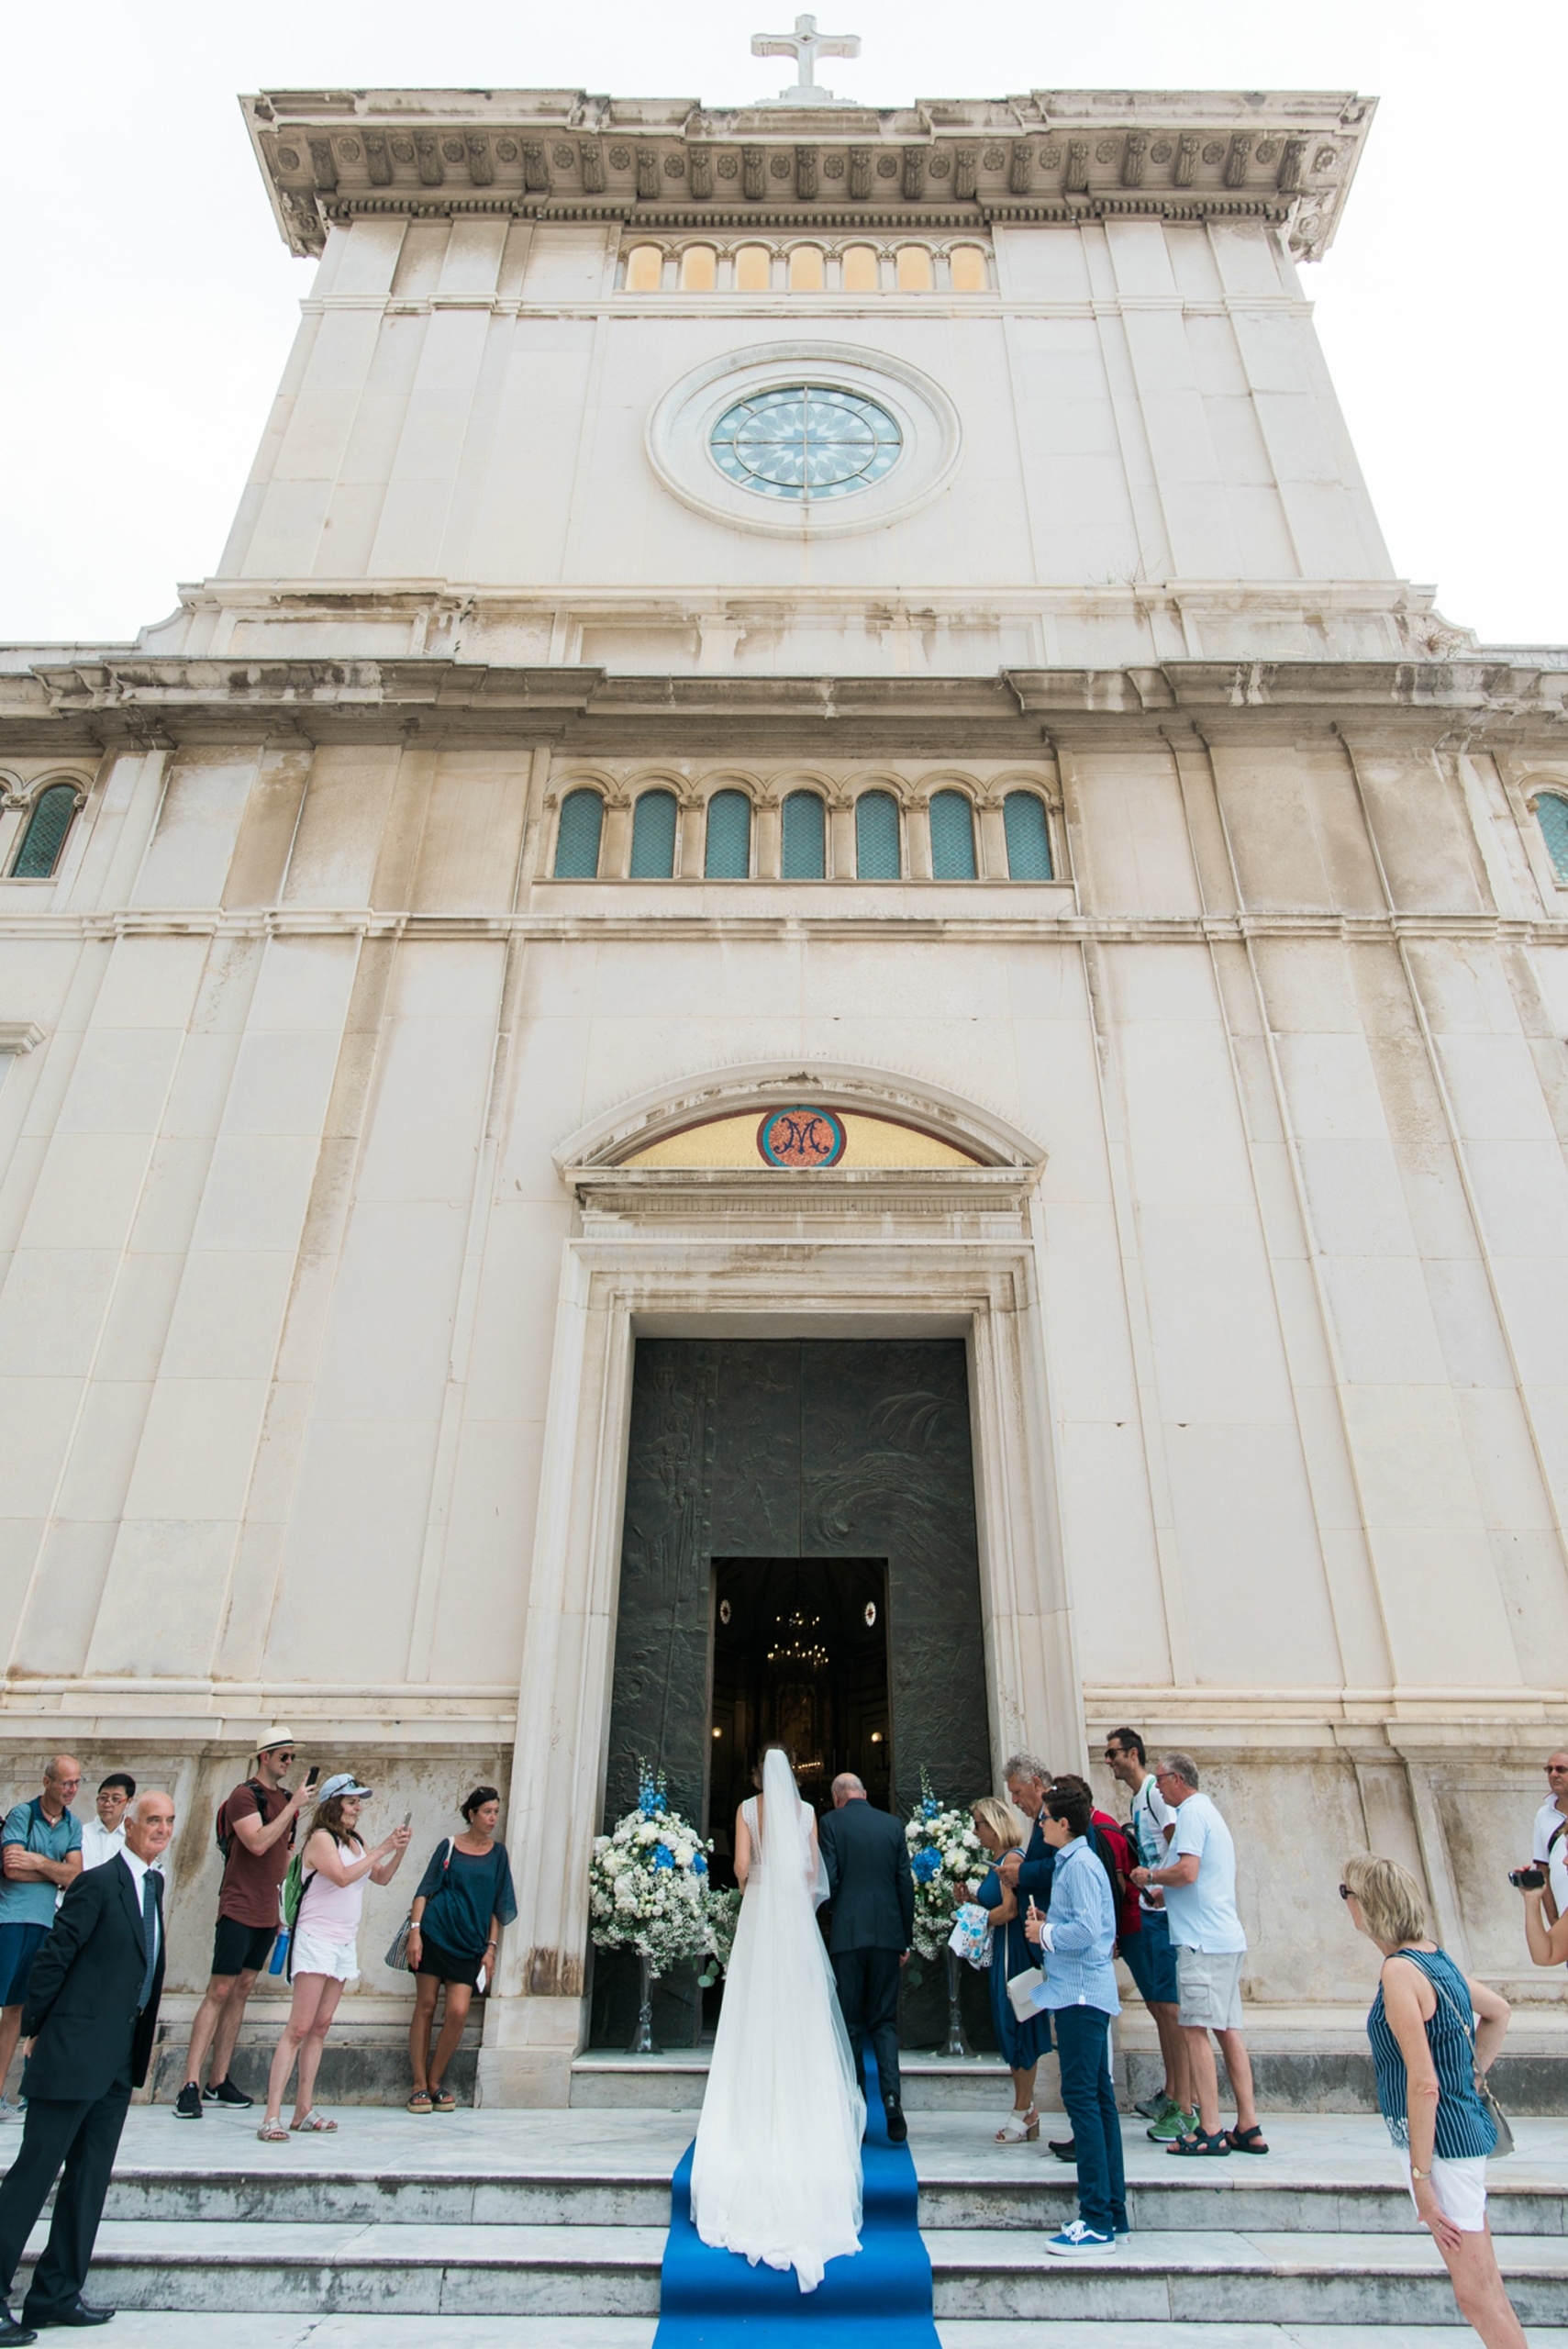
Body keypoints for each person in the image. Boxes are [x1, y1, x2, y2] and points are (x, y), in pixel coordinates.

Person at [0, 1788, 174, 2341]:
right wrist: (37, 2032)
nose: (162, 1830)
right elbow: (52, 1960)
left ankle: (56, 2293)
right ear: (127, 1823)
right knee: (32, 2176)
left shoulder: (154, 1885)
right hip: (71, 2054)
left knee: (90, 2180)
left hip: (118, 2064)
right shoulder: (96, 1884)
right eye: (152, 1820)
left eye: (169, 1822)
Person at [689, 1746, 863, 2293]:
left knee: (752, 2010)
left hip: (763, 1912)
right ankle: (805, 2109)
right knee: (805, 2013)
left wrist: (757, 1895)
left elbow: (741, 1868)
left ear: (757, 1776)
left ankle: (752, 2110)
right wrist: (792, 1899)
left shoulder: (746, 1810)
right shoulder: (809, 1814)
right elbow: (814, 1873)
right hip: (794, 1918)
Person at [1342, 1853, 1526, 2349]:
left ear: (1369, 1904)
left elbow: (1423, 2082)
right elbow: (1499, 2012)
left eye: (1346, 1894)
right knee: (1486, 2289)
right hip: (1458, 2137)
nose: (1346, 1905)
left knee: (1477, 2295)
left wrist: (1421, 2182)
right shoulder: (1432, 1956)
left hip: (1443, 2148)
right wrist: (1466, 2081)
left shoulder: (1399, 1973)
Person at [256, 1774, 410, 2141]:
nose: (358, 1808)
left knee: (321, 2027)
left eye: (359, 1802)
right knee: (298, 2027)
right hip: (315, 1939)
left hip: (343, 1942)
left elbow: (382, 1877)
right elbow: (341, 1877)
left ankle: (304, 2110)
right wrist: (382, 1847)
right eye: (352, 1801)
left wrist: (398, 1848)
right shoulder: (321, 1840)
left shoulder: (355, 1841)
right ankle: (271, 2115)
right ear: (334, 1803)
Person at [1129, 1752, 1265, 2157]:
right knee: (1228, 2030)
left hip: (1200, 1941)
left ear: (1176, 1779)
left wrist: (1150, 1875)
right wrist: (1160, 1890)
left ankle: (1209, 2127)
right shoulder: (1209, 1811)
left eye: (1160, 1779)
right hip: (1224, 1937)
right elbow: (1194, 1877)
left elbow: (1187, 1871)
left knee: (1194, 2029)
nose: (1156, 1786)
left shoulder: (1188, 1813)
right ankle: (1248, 2123)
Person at [175, 1728, 314, 2120]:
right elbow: (256, 1842)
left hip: (268, 1910)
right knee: (219, 1989)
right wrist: (292, 1808)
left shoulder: (288, 1801)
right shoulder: (244, 1795)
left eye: (291, 1757)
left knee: (244, 1988)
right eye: (283, 1756)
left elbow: (284, 1853)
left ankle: (218, 2080)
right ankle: (189, 2083)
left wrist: (290, 1905)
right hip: (238, 1905)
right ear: (265, 1757)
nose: (289, 1764)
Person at [1022, 1778, 1127, 2255]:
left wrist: (1045, 1933)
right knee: (1099, 2101)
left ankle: (1096, 2218)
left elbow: (1086, 1930)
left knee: (1082, 2099)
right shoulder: (1074, 1862)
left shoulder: (1080, 1865)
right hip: (1083, 1991)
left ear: (1063, 1824)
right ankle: (1112, 2209)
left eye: (1043, 1818)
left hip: (1081, 1994)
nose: (1038, 1824)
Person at [1104, 1727, 1194, 2140]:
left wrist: (1157, 1882)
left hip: (1161, 1910)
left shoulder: (1157, 1793)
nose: (1110, 1761)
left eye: (1114, 1754)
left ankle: (1183, 2102)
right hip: (1152, 1907)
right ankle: (1172, 2091)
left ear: (1133, 1753)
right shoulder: (1140, 1798)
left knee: (1170, 2008)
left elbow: (1178, 1843)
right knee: (1159, 2006)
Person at [406, 1785, 517, 2113]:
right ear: (472, 1814)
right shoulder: (450, 1845)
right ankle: (418, 2085)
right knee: (425, 2006)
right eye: (487, 1812)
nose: (493, 1818)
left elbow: (499, 1906)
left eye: (496, 1811)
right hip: (435, 1935)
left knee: (457, 2011)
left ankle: (436, 2080)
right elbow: (424, 1891)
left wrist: (491, 1949)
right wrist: (415, 1934)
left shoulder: (498, 1854)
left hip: (471, 1943)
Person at [818, 1769, 917, 2143]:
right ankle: (891, 2099)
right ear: (861, 1792)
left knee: (851, 2024)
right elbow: (903, 1885)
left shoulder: (831, 1823)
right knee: (884, 2022)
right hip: (888, 1936)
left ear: (838, 1797)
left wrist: (829, 1918)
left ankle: (856, 2107)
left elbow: (831, 1878)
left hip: (848, 1935)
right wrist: (903, 1938)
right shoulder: (892, 1825)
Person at [0, 1761, 83, 2122]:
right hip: (8, 1921)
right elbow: (11, 1869)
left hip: (42, 1925)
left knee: (16, 2012)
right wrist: (54, 1871)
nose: (70, 1790)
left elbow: (77, 1877)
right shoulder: (22, 1814)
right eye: (65, 1782)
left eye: (76, 1783)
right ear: (47, 1782)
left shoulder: (73, 1824)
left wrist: (36, 1860)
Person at [968, 1795, 1050, 2142]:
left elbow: (1009, 1909)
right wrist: (970, 1901)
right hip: (1000, 1948)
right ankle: (1023, 2106)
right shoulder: (996, 1860)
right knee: (1008, 2022)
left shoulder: (1010, 1860)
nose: (976, 1832)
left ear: (994, 1824)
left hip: (1012, 1951)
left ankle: (1024, 2108)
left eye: (979, 1824)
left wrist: (975, 1921)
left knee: (1019, 2021)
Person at [1529, 1747, 1568, 1927]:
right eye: (1549, 1769)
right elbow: (1542, 1869)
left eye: (1561, 1769)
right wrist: (1554, 1921)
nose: (1553, 1774)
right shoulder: (1543, 1815)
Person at [78, 1777, 136, 1876]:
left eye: (115, 1799)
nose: (107, 1804)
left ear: (129, 1802)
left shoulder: (134, 1838)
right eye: (103, 1798)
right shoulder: (81, 1834)